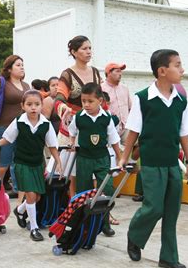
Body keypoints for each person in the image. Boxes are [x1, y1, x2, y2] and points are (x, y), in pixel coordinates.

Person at [118, 49, 188, 268]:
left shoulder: (181, 99)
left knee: (172, 211)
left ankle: (169, 257)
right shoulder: (143, 98)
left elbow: (184, 133)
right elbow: (134, 130)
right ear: (162, 71)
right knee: (153, 207)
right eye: (177, 65)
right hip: (151, 163)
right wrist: (124, 157)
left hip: (172, 163)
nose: (182, 70)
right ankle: (134, 236)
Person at [0, 90, 62, 241]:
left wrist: (58, 161)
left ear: (41, 106)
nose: (33, 107)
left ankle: (19, 210)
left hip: (38, 164)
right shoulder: (19, 121)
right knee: (31, 195)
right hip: (22, 163)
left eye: (37, 104)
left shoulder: (46, 124)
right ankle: (34, 228)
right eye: (29, 104)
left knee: (37, 197)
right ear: (23, 106)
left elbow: (52, 145)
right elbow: (7, 138)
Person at [68, 82, 121, 237]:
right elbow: (72, 132)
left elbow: (114, 139)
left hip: (102, 158)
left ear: (100, 101)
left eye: (90, 101)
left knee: (107, 189)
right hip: (84, 159)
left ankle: (104, 223)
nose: (86, 105)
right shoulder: (79, 117)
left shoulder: (106, 118)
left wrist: (119, 157)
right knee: (84, 191)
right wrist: (72, 142)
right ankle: (84, 224)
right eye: (83, 101)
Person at [55, 35, 102, 197]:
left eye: (90, 48)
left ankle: (96, 209)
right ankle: (74, 208)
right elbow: (59, 98)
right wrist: (64, 108)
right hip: (72, 128)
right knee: (72, 174)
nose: (89, 52)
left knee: (97, 171)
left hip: (94, 128)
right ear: (74, 52)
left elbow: (101, 99)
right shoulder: (67, 74)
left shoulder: (96, 72)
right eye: (84, 49)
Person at [0, 55, 30, 199]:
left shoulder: (26, 86)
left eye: (22, 64)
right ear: (9, 68)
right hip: (3, 129)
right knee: (2, 165)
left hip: (21, 130)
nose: (21, 67)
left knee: (19, 164)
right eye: (17, 65)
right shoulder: (0, 82)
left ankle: (20, 195)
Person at [101, 62, 131, 142]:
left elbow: (130, 107)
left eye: (121, 71)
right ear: (108, 73)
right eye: (117, 71)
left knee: (137, 145)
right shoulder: (100, 89)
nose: (120, 73)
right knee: (113, 152)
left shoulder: (125, 88)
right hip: (110, 127)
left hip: (126, 126)